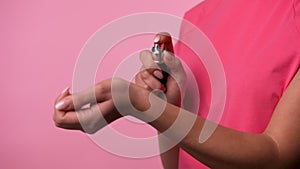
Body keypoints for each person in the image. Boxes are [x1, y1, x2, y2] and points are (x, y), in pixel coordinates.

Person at [53, 0, 300, 168]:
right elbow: (179, 164)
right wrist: (169, 104)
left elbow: (276, 157)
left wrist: (144, 106)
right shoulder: (196, 17)